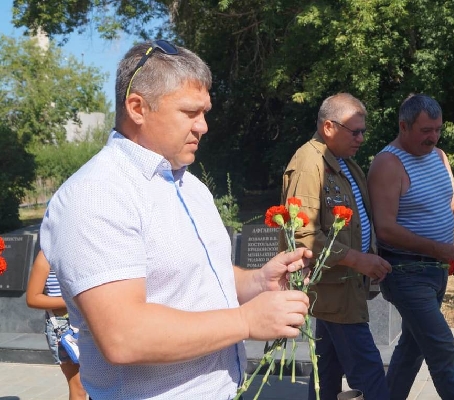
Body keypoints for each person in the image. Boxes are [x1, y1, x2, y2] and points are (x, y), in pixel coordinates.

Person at [39, 40, 311, 400]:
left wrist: (258, 282)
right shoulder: (96, 194)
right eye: (190, 112)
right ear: (138, 108)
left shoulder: (189, 186)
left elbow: (197, 277)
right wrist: (246, 321)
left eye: (205, 112)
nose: (204, 126)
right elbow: (124, 336)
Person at [367, 93, 454, 399]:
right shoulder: (387, 164)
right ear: (403, 126)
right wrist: (437, 249)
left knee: (412, 347)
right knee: (441, 347)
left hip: (435, 271)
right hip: (405, 272)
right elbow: (385, 229)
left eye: (437, 129)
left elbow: (453, 202)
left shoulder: (439, 157)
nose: (433, 137)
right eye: (425, 130)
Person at [281, 93, 392, 400]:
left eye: (363, 131)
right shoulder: (309, 164)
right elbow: (302, 234)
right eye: (354, 131)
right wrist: (358, 260)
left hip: (343, 286)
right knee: (368, 372)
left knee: (327, 372)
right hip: (335, 290)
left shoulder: (344, 163)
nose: (361, 138)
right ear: (328, 127)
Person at [26, 250, 88, 400]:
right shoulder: (47, 252)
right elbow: (33, 298)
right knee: (79, 386)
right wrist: (74, 301)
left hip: (92, 321)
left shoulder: (87, 247)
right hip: (64, 327)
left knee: (101, 383)